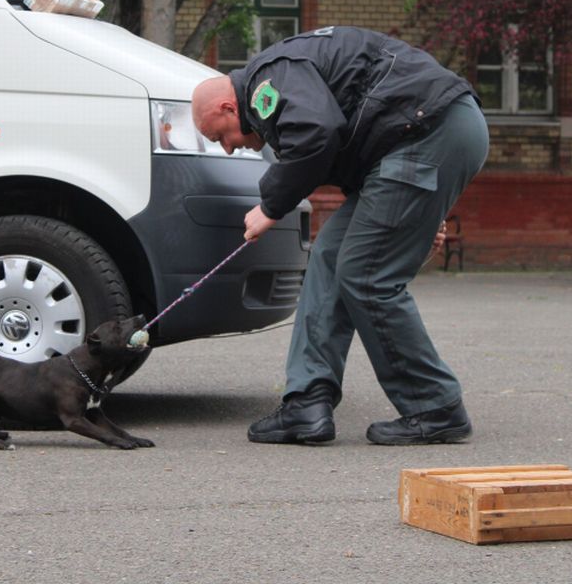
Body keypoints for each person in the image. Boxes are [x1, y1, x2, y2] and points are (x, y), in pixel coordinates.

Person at [192, 26, 489, 445]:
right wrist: (419, 220)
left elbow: (317, 132)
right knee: (330, 255)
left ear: (228, 107)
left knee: (366, 274)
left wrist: (270, 206)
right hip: (422, 137)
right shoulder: (280, 79)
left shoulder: (268, 80)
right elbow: (349, 138)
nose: (227, 147)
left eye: (219, 135)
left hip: (429, 133)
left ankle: (434, 405)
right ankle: (306, 403)